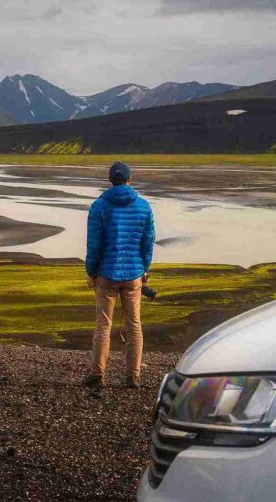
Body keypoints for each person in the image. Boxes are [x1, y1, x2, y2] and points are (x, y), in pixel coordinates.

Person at [81, 161, 155, 389]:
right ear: (129, 179)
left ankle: (98, 375)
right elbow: (148, 241)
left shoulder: (99, 206)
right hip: (133, 274)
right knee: (134, 325)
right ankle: (133, 376)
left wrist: (91, 271)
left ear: (110, 179)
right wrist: (144, 268)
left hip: (106, 274)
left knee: (103, 326)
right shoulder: (143, 206)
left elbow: (94, 245)